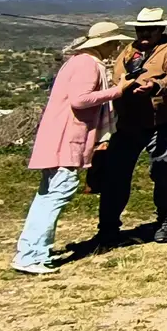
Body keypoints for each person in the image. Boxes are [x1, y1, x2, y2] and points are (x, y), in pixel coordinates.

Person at [14, 22, 129, 274]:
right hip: (68, 137)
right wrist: (116, 91)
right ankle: (33, 254)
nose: (117, 48)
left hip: (58, 135)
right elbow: (80, 100)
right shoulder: (88, 64)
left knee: (47, 195)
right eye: (114, 43)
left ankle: (30, 250)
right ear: (104, 43)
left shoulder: (77, 61)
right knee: (57, 193)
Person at [91, 5, 167, 247]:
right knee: (116, 174)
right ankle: (108, 228)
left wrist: (155, 86)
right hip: (128, 122)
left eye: (149, 30)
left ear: (160, 29)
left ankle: (165, 219)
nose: (144, 35)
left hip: (161, 122)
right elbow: (117, 77)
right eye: (140, 30)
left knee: (164, 171)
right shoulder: (129, 50)